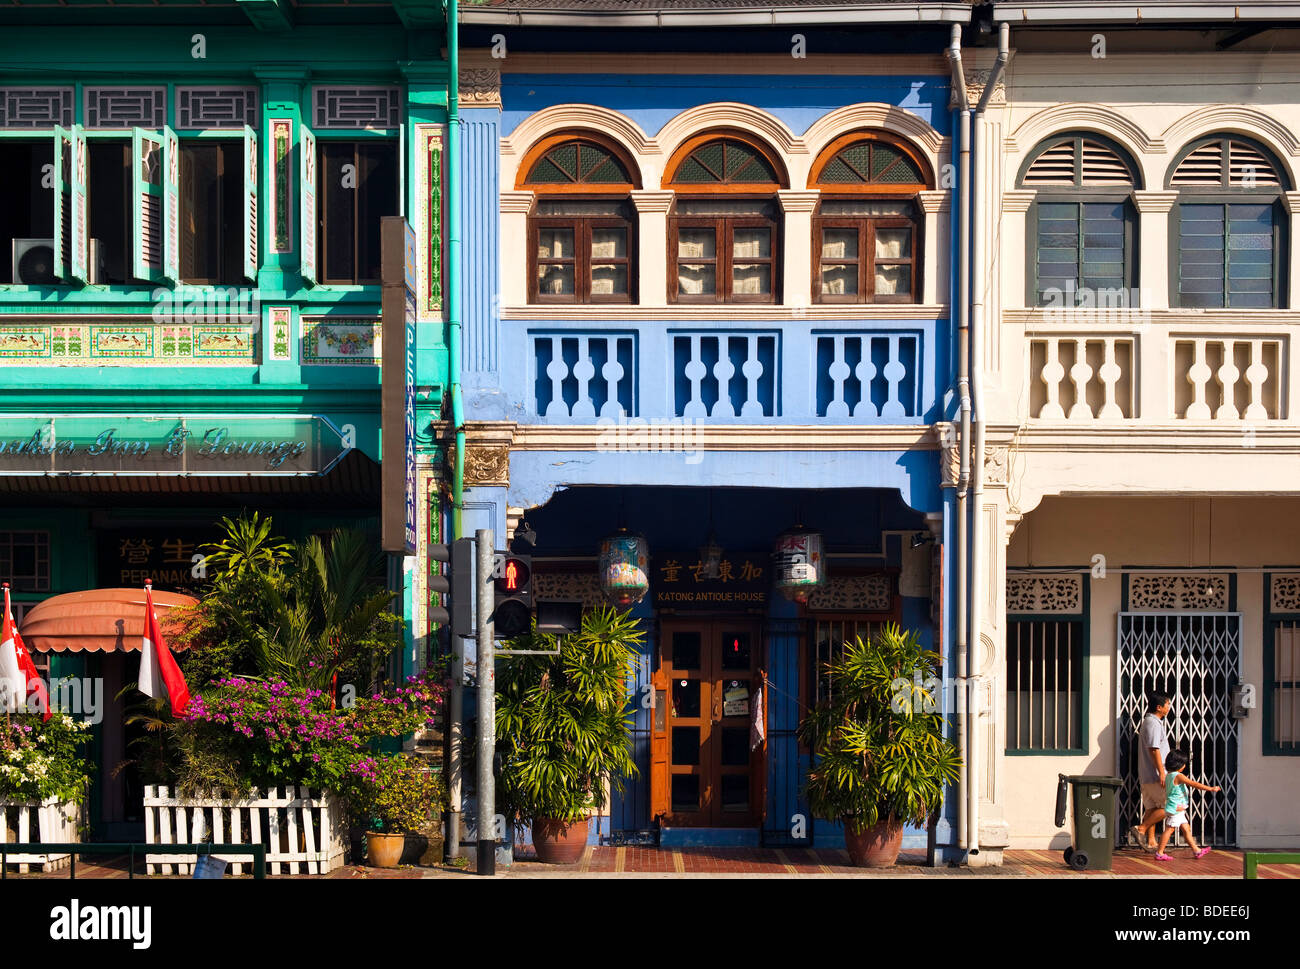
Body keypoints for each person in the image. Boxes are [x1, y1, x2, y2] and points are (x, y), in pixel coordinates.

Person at [1154, 750, 1220, 861]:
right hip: (1176, 808)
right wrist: (1210, 788)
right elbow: (1194, 784)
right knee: (1169, 830)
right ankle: (1159, 853)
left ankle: (1196, 850)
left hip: (1177, 808)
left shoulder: (1169, 776)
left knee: (1186, 828)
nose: (1185, 766)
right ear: (1179, 765)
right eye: (1184, 764)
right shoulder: (1178, 776)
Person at [1131, 692, 1171, 852]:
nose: (1169, 707)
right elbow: (1154, 749)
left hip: (1148, 774)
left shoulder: (1149, 722)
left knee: (1153, 807)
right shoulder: (1153, 723)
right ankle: (1141, 829)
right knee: (1173, 806)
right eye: (1168, 704)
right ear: (1159, 707)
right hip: (1155, 774)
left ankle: (1151, 841)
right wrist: (1162, 772)